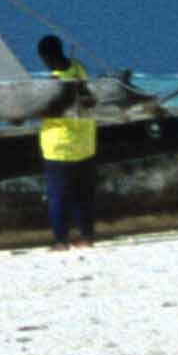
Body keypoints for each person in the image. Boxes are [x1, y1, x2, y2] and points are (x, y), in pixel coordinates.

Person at [33, 31, 103, 246]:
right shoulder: (78, 68)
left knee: (58, 196)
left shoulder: (54, 81)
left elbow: (47, 109)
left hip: (60, 145)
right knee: (83, 194)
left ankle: (60, 241)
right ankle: (87, 237)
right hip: (85, 141)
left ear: (45, 57)